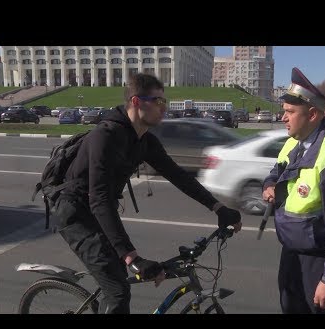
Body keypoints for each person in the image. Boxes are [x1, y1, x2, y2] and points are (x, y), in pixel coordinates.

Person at [54, 73, 242, 314]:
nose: (164, 108)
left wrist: (218, 208)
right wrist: (132, 257)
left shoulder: (144, 140)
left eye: (165, 101)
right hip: (75, 213)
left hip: (99, 209)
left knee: (117, 275)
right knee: (119, 292)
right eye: (158, 101)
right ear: (136, 101)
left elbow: (179, 176)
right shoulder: (105, 136)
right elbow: (98, 198)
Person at [262, 67, 325, 314]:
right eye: (283, 111)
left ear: (311, 114)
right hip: (291, 255)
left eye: (289, 112)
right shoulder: (294, 142)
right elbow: (276, 172)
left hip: (318, 262)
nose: (283, 118)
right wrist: (269, 185)